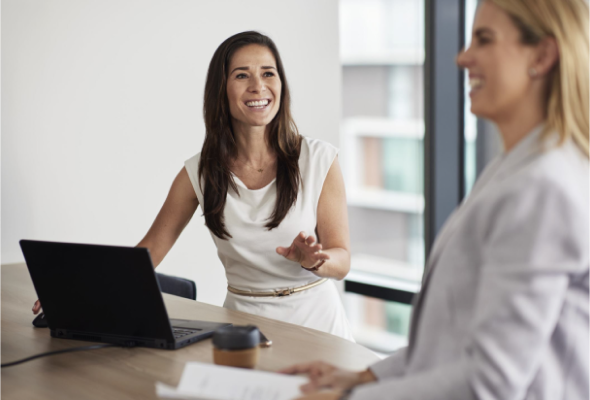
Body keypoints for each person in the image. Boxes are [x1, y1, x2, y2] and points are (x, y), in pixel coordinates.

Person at [282, 0, 590, 398]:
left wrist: (349, 398)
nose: (463, 57)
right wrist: (364, 377)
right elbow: (457, 341)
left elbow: (489, 382)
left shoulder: (542, 187)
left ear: (543, 55)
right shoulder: (514, 168)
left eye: (484, 39)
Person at [32, 31, 354, 341]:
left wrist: (316, 260)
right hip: (244, 329)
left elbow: (342, 259)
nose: (259, 86)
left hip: (317, 326)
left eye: (268, 73)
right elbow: (150, 251)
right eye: (242, 76)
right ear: (221, 89)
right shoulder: (200, 172)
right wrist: (76, 295)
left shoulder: (319, 159)